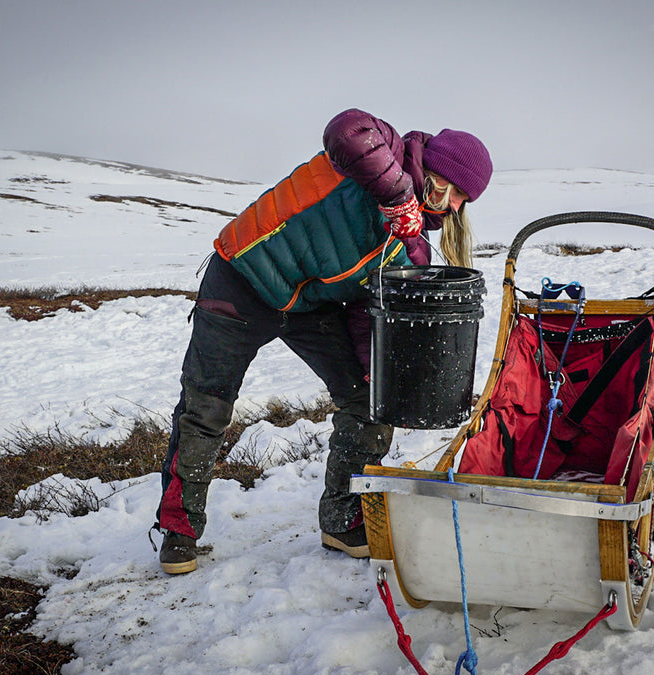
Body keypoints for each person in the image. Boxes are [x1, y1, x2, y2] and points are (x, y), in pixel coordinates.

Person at [155, 108, 493, 574]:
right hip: (241, 281)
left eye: (462, 198)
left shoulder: (410, 243)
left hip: (308, 305)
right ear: (428, 163)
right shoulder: (383, 149)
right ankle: (179, 532)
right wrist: (396, 195)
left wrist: (374, 366)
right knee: (206, 406)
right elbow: (347, 128)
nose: (451, 202)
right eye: (450, 185)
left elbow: (360, 305)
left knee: (367, 400)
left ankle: (341, 519)